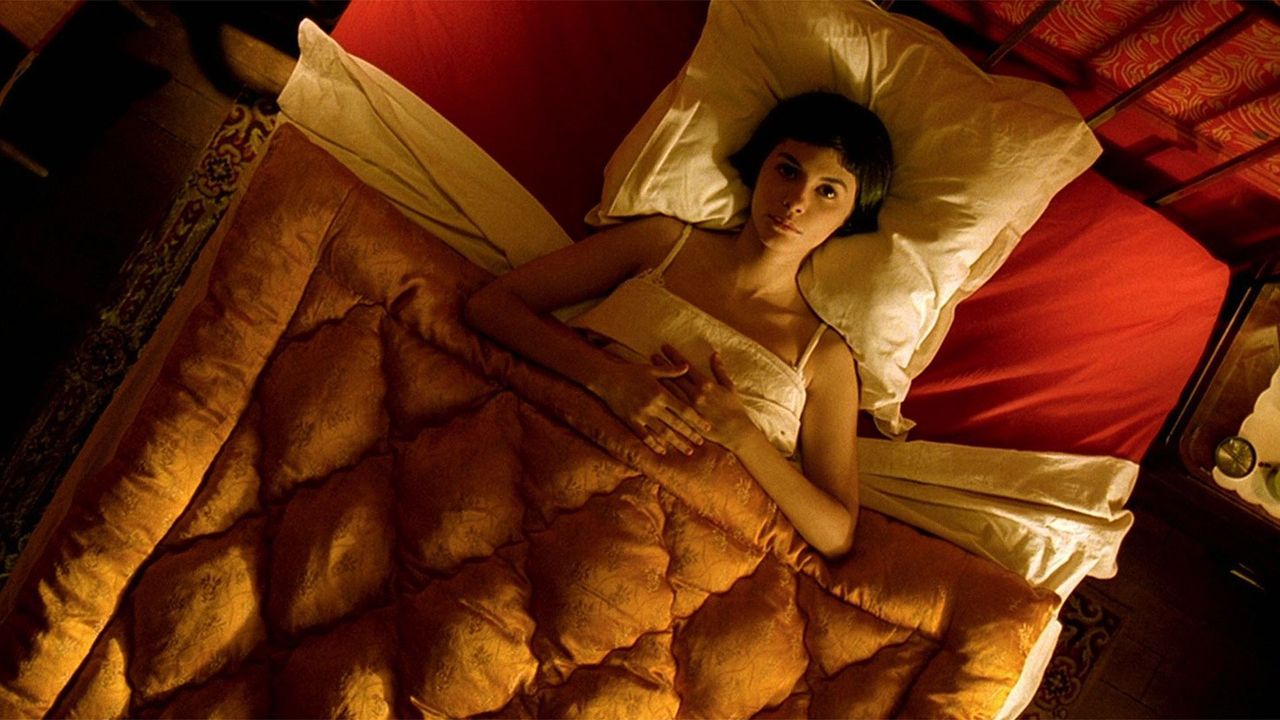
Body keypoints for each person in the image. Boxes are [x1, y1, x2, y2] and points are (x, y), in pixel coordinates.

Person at [465, 92, 893, 558]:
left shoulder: (822, 355)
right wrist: (607, 377)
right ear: (761, 166)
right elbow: (492, 306)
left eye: (827, 192)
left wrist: (742, 435)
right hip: (533, 472)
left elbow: (836, 534)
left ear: (850, 216)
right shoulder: (663, 244)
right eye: (788, 171)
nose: (796, 201)